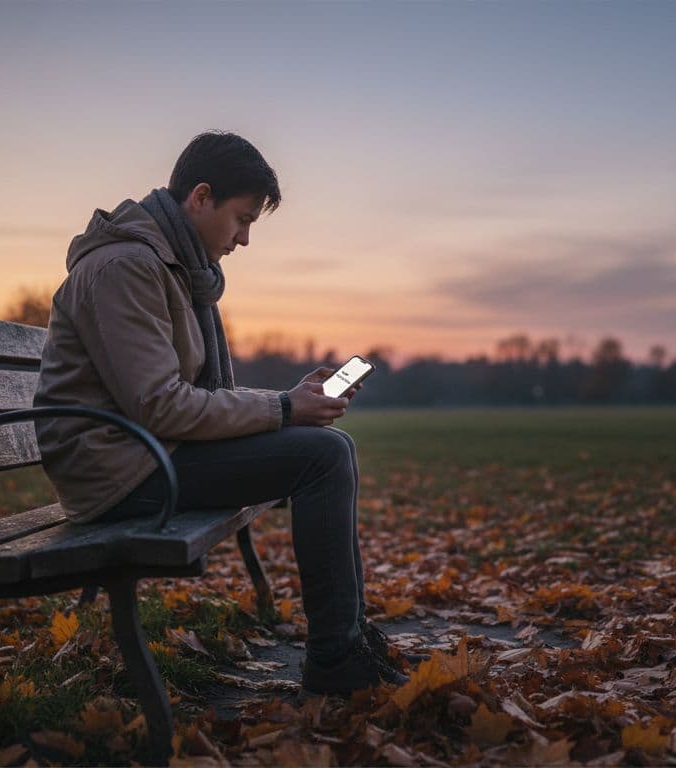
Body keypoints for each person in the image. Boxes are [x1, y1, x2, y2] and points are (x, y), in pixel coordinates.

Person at [33, 131, 406, 694]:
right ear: (201, 197)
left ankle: (347, 640)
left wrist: (288, 400)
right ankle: (336, 659)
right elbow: (161, 404)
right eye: (242, 219)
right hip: (116, 472)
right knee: (324, 456)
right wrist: (283, 408)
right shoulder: (126, 267)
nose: (245, 238)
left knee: (332, 449)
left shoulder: (170, 267)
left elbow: (176, 395)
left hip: (144, 453)